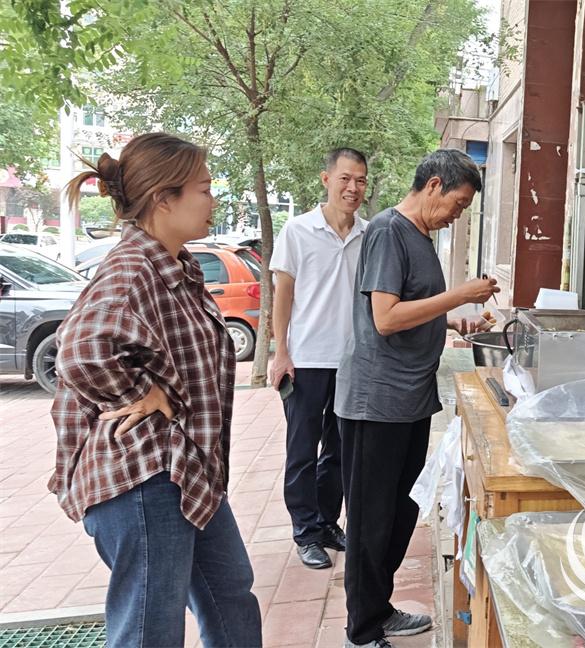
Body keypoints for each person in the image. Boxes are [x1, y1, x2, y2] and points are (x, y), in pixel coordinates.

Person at [48, 133, 261, 647]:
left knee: (230, 596)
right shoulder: (133, 267)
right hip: (144, 477)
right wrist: (138, 394)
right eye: (204, 189)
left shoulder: (176, 264)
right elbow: (78, 350)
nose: (214, 200)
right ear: (164, 199)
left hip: (185, 470)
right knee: (151, 631)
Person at [334, 149, 498, 648]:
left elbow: (413, 307)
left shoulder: (420, 236)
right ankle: (361, 631)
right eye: (458, 203)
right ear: (433, 186)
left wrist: (454, 320)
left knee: (400, 513)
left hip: (409, 398)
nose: (458, 214)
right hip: (376, 400)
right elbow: (385, 318)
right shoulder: (388, 230)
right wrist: (459, 296)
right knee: (371, 520)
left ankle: (379, 608)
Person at [268, 148, 368, 569]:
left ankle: (327, 523)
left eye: (360, 180)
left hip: (351, 361)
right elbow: (283, 294)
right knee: (302, 451)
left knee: (340, 451)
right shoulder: (298, 230)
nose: (353, 188)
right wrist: (281, 352)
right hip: (306, 358)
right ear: (326, 179)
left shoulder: (368, 234)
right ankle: (305, 532)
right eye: (345, 178)